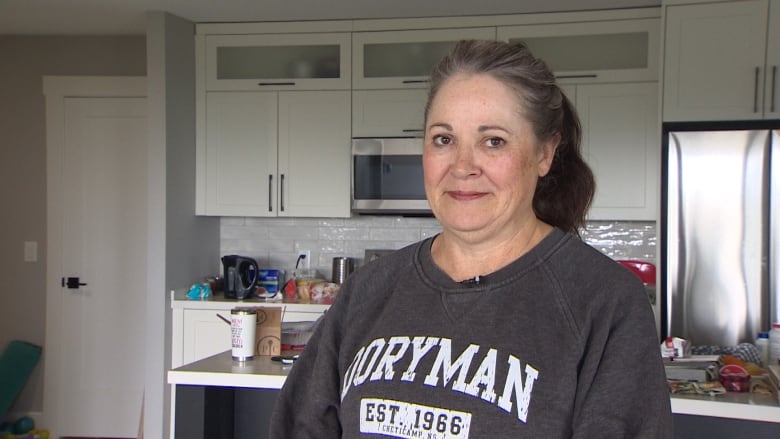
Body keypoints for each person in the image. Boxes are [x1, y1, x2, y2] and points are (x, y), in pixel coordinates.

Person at [269, 40, 672, 438]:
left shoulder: (603, 301)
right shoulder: (368, 291)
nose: (463, 167)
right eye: (444, 139)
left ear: (545, 154)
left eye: (493, 141)